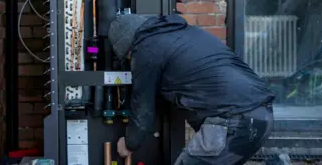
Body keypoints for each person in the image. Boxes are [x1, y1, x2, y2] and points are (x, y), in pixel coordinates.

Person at [107, 14, 275, 165]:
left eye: (128, 57)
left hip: (234, 121)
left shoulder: (146, 48)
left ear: (128, 46)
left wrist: (130, 143)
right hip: (261, 115)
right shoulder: (183, 33)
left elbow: (143, 106)